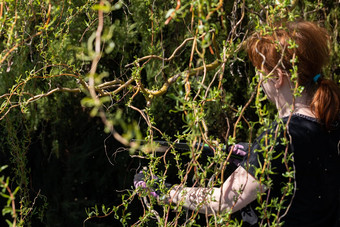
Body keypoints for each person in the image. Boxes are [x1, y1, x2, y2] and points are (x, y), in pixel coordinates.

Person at [134, 20, 340, 226]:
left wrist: (162, 190)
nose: (258, 80)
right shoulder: (331, 120)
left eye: (259, 72)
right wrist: (255, 153)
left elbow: (223, 201)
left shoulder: (282, 135)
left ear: (277, 77)